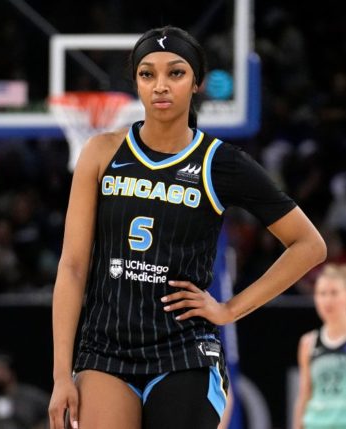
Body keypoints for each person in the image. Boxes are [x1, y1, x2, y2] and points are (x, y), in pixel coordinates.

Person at [48, 25, 326, 429]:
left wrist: (230, 309)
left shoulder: (220, 162)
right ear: (136, 83)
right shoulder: (100, 152)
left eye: (175, 73)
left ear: (196, 82)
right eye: (148, 74)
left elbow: (308, 245)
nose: (160, 85)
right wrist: (60, 375)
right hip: (104, 349)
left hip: (184, 349)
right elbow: (72, 268)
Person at [293, 264, 346, 429]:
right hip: (315, 423)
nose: (327, 300)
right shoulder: (308, 342)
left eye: (334, 293)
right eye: (322, 294)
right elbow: (304, 394)